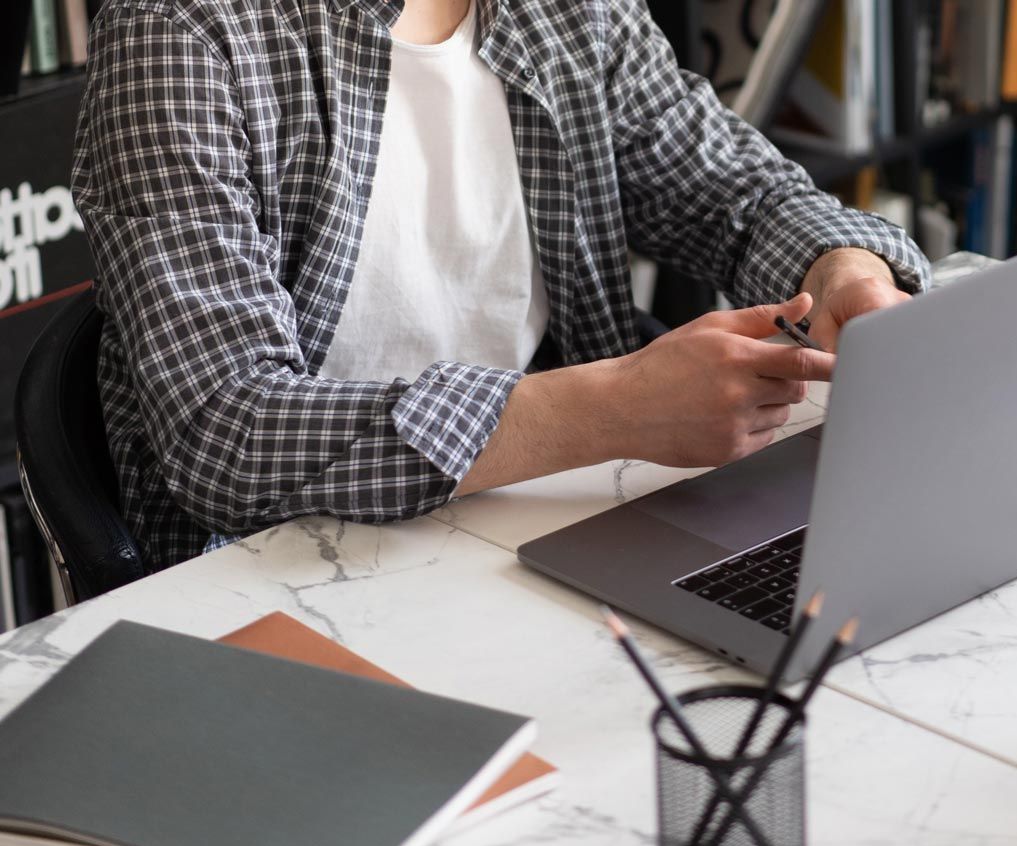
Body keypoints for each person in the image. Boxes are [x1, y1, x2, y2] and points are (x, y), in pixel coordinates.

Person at [73, 0, 930, 573]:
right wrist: (618, 407)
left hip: (551, 512)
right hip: (281, 568)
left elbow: (737, 193)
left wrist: (842, 269)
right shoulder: (180, 31)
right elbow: (226, 429)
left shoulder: (569, 10)